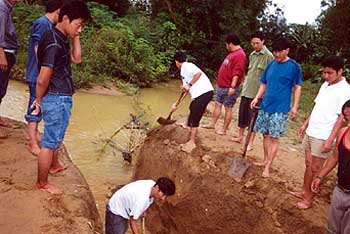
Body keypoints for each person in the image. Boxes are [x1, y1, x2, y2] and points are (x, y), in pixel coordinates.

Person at [32, 0, 91, 194]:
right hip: (56, 98)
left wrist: (74, 34)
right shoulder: (55, 43)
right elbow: (42, 78)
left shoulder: (58, 37)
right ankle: (42, 183)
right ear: (65, 18)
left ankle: (53, 167)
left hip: (58, 97)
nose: (80, 29)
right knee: (49, 144)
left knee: (53, 138)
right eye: (78, 24)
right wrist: (38, 100)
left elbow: (77, 59)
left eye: (82, 26)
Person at [293, 56, 350, 209]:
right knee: (308, 164)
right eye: (324, 72)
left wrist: (330, 139)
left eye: (329, 73)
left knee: (316, 169)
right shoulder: (325, 85)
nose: (326, 76)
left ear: (340, 71)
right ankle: (304, 191)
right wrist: (306, 123)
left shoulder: (345, 91)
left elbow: (341, 119)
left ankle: (309, 199)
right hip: (312, 131)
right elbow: (316, 106)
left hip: (324, 135)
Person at [250, 37, 302, 178]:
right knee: (265, 134)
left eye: (280, 52)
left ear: (287, 50)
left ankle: (268, 166)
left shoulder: (294, 67)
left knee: (274, 137)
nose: (277, 54)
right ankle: (265, 160)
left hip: (280, 108)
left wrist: (295, 106)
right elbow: (264, 84)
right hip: (266, 105)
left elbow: (297, 87)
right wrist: (257, 97)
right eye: (275, 52)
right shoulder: (271, 64)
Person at [25, 0, 62, 156]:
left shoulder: (49, 25)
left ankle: (34, 135)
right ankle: (32, 142)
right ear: (58, 11)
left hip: (41, 74)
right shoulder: (42, 23)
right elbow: (38, 51)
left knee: (39, 105)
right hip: (37, 74)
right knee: (35, 106)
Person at [311, 99, 350, 234]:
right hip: (340, 189)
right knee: (332, 229)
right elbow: (335, 157)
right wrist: (320, 176)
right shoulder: (343, 133)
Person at [231, 31, 273, 150]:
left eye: (257, 43)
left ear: (263, 41)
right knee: (243, 115)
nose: (255, 45)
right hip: (247, 90)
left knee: (252, 119)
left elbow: (270, 77)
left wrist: (264, 95)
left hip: (257, 94)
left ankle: (250, 143)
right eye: (253, 43)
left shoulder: (268, 56)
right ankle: (240, 137)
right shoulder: (252, 55)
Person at [203, 33, 247, 135]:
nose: (226, 46)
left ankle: (224, 129)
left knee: (228, 108)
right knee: (217, 104)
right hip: (222, 85)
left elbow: (238, 72)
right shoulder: (232, 53)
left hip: (230, 86)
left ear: (230, 44)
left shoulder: (240, 55)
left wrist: (232, 86)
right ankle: (212, 124)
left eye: (226, 44)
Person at [172, 52, 214, 153]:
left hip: (204, 93)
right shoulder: (183, 72)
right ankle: (186, 125)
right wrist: (177, 104)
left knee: (195, 115)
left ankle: (192, 142)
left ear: (176, 62)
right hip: (201, 94)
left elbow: (198, 74)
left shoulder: (187, 66)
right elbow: (185, 90)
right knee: (192, 107)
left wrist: (189, 84)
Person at [105, 177, 176, 234]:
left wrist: (142, 210)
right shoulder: (142, 199)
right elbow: (132, 221)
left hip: (123, 206)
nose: (163, 198)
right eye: (163, 195)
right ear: (157, 188)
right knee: (117, 230)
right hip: (116, 211)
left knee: (123, 228)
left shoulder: (151, 184)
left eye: (165, 196)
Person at [0, 0, 19, 137]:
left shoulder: (7, 8)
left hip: (7, 52)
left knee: (2, 88)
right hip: (4, 52)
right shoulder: (2, 8)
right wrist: (1, 56)